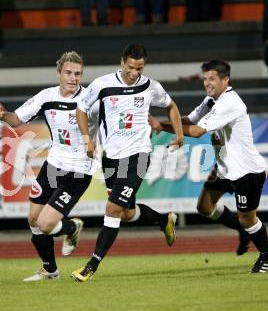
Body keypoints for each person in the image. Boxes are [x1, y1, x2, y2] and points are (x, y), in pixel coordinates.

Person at [150, 59, 268, 273]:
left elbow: (198, 131)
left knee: (248, 218)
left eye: (212, 79)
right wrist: (161, 125)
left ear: (225, 80)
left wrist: (166, 128)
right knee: (204, 207)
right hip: (224, 168)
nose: (207, 83)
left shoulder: (230, 102)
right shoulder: (212, 100)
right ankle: (243, 229)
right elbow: (190, 120)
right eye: (205, 79)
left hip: (245, 171)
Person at [71, 44, 184, 282]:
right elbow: (81, 109)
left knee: (112, 209)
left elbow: (171, 106)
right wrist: (86, 140)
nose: (134, 73)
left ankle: (92, 265)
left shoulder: (151, 87)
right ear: (122, 62)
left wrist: (179, 133)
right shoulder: (102, 85)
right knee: (125, 212)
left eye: (139, 68)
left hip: (138, 155)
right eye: (131, 67)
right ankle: (165, 219)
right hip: (111, 157)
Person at [0, 51, 98, 281]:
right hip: (53, 165)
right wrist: (3, 115)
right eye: (68, 73)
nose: (73, 78)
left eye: (77, 74)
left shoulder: (90, 99)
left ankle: (70, 228)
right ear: (59, 73)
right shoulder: (46, 96)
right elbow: (16, 119)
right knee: (33, 220)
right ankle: (50, 270)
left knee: (46, 223)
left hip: (79, 170)